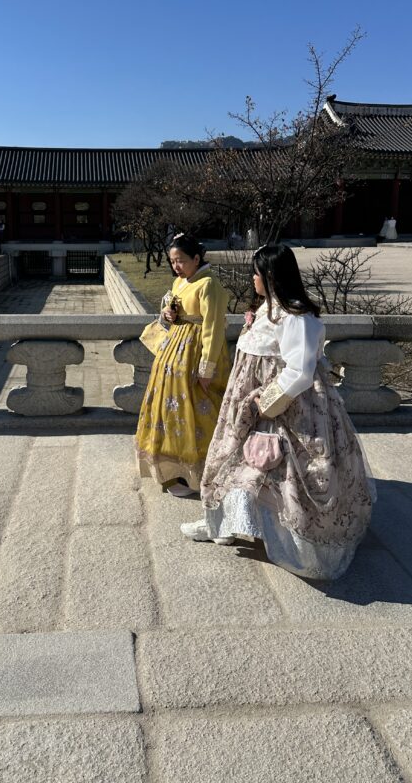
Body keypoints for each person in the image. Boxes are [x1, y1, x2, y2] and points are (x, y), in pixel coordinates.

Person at [181, 244, 374, 580]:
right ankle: (222, 521)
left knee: (276, 470)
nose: (252, 279)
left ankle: (296, 542)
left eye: (256, 274)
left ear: (271, 277)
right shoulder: (268, 309)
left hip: (286, 408)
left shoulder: (297, 317)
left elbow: (300, 371)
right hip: (249, 402)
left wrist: (264, 401)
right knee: (236, 460)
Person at [136, 234, 231, 497]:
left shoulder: (209, 285)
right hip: (175, 351)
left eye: (181, 261)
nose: (176, 266)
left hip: (196, 353)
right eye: (173, 261)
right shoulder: (180, 281)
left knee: (199, 410)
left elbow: (213, 328)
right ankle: (172, 468)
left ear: (196, 258)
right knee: (171, 409)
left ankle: (200, 472)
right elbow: (173, 309)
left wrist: (206, 369)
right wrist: (168, 313)